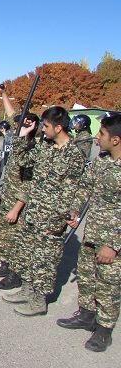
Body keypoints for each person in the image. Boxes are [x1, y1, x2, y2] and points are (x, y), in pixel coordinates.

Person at [2, 106, 85, 316]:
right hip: (33, 212)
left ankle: (39, 301)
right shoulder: (44, 147)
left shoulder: (74, 154)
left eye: (46, 126)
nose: (43, 129)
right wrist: (21, 137)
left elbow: (72, 190)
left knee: (45, 261)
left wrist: (59, 221)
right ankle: (27, 290)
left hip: (52, 218)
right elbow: (22, 161)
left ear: (58, 127)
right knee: (28, 254)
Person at [57, 113, 121, 352]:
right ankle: (86, 314)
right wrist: (74, 211)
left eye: (102, 133)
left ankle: (104, 331)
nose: (97, 137)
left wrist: (113, 244)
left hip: (112, 241)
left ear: (115, 139)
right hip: (93, 232)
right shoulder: (102, 161)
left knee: (108, 285)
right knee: (86, 275)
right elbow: (86, 186)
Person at [0, 112, 40, 290]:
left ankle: (15, 274)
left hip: (18, 203)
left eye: (18, 127)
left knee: (17, 240)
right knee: (3, 235)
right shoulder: (19, 145)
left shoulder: (31, 149)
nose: (14, 130)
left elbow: (28, 183)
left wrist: (17, 208)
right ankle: (5, 264)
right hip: (7, 197)